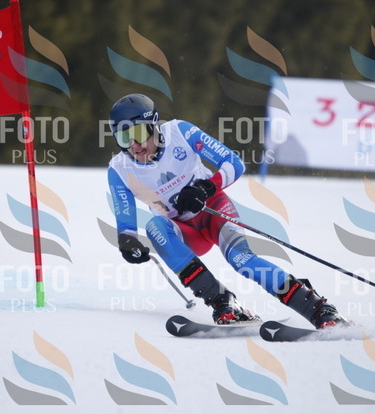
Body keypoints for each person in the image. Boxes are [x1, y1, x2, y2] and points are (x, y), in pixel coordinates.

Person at [107, 93, 347, 328]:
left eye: (139, 133)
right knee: (155, 227)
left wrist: (205, 188)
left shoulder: (180, 132)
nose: (134, 145)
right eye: (123, 138)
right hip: (183, 232)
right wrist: (128, 243)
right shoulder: (119, 169)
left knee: (242, 260)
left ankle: (317, 308)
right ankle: (223, 302)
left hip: (213, 211)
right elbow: (126, 225)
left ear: (154, 125)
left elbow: (234, 163)